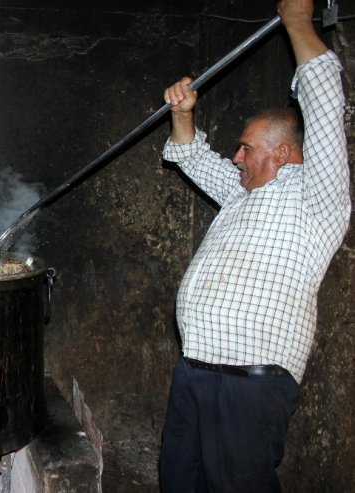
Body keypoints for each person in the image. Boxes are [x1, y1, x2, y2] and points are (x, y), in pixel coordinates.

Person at [158, 0, 351, 491]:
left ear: (283, 154)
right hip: (196, 371)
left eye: (246, 147)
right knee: (180, 480)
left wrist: (298, 24)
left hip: (250, 382)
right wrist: (184, 113)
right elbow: (192, 156)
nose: (236, 155)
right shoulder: (242, 193)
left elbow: (326, 106)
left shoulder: (316, 198)